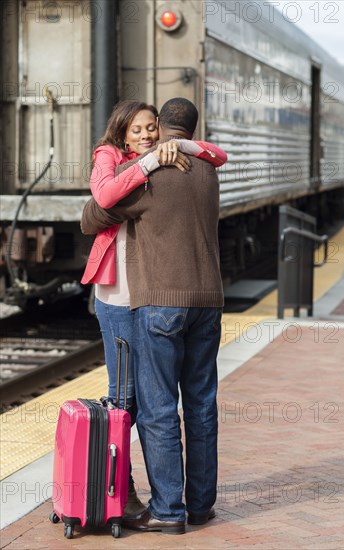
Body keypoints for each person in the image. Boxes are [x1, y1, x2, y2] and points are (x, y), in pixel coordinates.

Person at [81, 98, 226, 534]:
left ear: (161, 127)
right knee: (201, 404)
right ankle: (201, 505)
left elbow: (93, 214)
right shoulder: (208, 170)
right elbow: (213, 153)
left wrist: (141, 168)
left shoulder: (154, 171)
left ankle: (168, 510)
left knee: (159, 407)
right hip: (210, 302)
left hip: (163, 301)